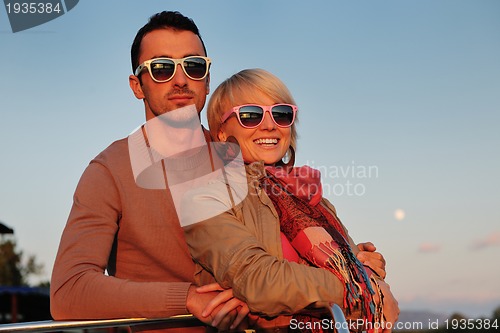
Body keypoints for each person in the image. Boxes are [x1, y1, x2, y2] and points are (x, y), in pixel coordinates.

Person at [50, 11, 387, 333]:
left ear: (208, 80)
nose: (180, 79)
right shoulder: (110, 170)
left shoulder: (243, 146)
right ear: (137, 85)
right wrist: (185, 299)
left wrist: (353, 258)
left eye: (194, 66)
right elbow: (69, 290)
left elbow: (293, 235)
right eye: (161, 68)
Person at [182, 68, 399, 332]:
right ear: (222, 134)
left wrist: (369, 268)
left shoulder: (311, 197)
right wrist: (365, 287)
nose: (270, 125)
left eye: (281, 114)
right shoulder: (207, 196)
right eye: (250, 115)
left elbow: (353, 265)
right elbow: (260, 281)